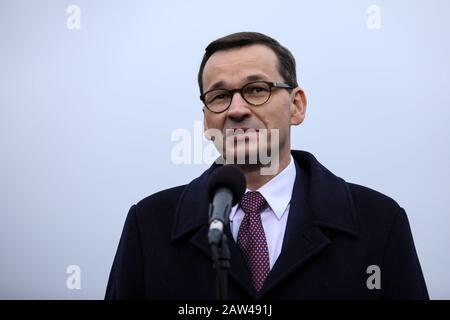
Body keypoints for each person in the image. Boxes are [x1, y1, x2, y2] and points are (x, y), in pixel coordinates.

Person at [105, 32, 428, 299]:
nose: (236, 109)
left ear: (296, 106)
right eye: (219, 96)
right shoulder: (149, 225)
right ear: (206, 120)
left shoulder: (379, 221)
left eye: (256, 90)